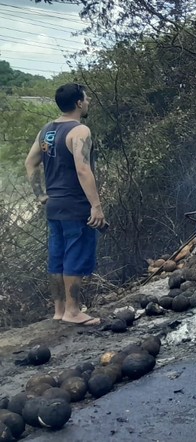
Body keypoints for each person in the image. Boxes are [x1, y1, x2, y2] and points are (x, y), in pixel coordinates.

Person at [24, 83, 107, 325]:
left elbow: (30, 163)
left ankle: (59, 310)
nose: (88, 102)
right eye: (87, 98)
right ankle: (73, 311)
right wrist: (96, 206)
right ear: (79, 103)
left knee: (57, 256)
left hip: (54, 206)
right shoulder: (80, 131)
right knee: (75, 254)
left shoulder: (46, 131)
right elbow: (83, 169)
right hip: (75, 205)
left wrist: (40, 195)